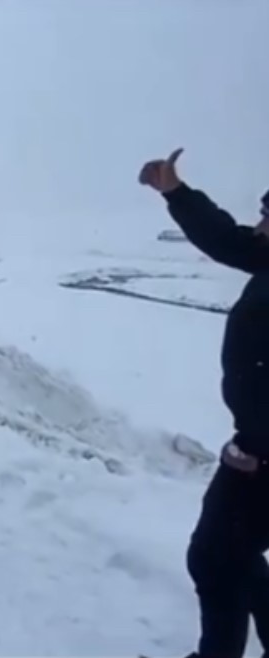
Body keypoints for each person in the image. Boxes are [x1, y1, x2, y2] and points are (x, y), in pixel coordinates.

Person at [140, 148, 269, 658]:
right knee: (229, 555)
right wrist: (176, 192)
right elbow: (228, 240)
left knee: (218, 557)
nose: (260, 226)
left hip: (262, 458)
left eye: (268, 217)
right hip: (253, 449)